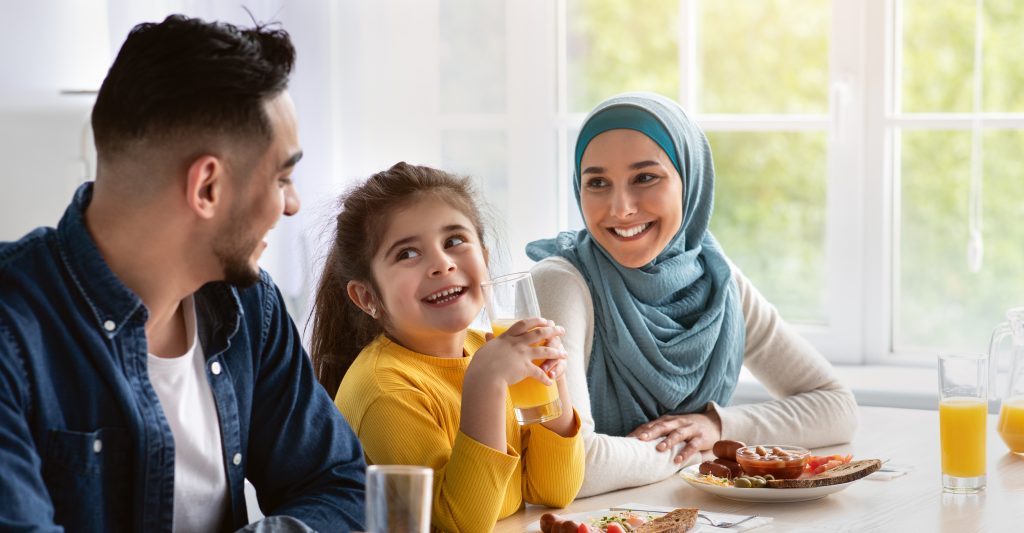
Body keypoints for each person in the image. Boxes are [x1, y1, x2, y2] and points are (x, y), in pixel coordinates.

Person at [0, 15, 366, 532]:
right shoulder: (12, 333)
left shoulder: (250, 305)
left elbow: (340, 485)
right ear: (207, 188)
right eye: (282, 177)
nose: (292, 204)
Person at [526, 92, 859, 497]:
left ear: (691, 179)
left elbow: (837, 409)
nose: (621, 207)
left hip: (698, 514)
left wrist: (717, 427)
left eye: (645, 177)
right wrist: (693, 450)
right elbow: (573, 467)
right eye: (597, 182)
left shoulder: (718, 282)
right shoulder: (561, 283)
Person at [310, 162, 584, 532]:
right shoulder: (383, 389)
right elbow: (458, 523)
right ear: (367, 297)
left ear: (484, 261)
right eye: (407, 253)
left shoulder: (485, 350)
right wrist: (484, 384)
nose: (441, 264)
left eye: (454, 241)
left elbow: (555, 490)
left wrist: (553, 381)